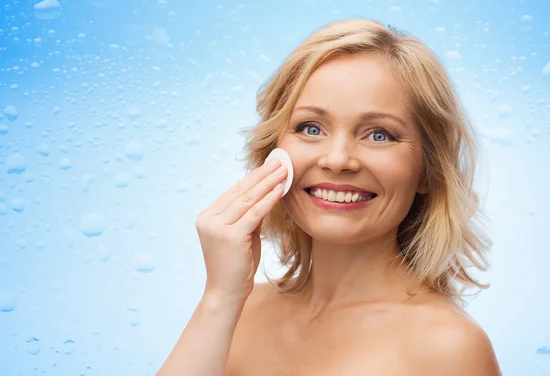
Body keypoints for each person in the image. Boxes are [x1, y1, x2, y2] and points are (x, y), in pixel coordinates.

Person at [157, 18, 502, 376]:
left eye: (379, 135)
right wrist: (220, 296)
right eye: (311, 128)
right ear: (272, 151)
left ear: (428, 170)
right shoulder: (236, 310)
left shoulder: (448, 347)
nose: (337, 160)